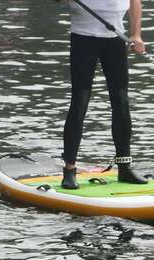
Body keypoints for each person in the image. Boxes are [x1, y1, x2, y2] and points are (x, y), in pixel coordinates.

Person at [59, 0, 148, 189]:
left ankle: (124, 167)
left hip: (115, 39)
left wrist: (136, 34)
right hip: (83, 38)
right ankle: (69, 170)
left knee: (121, 101)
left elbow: (135, 1)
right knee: (80, 101)